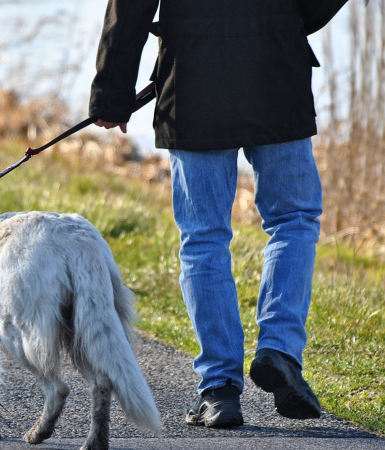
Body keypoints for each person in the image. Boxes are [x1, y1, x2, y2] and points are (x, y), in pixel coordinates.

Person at [89, 0, 348, 428]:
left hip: (194, 79)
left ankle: (219, 389)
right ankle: (279, 349)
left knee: (203, 237)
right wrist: (290, 17)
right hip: (275, 64)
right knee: (294, 220)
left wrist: (110, 94)